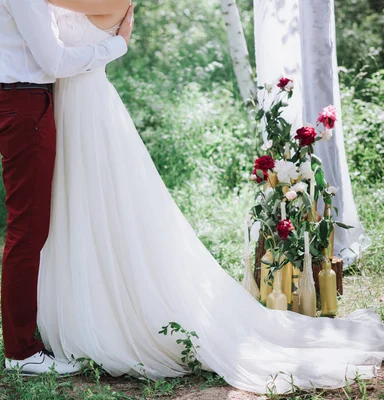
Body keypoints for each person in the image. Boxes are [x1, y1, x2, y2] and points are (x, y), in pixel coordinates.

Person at [36, 1, 384, 394]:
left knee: (103, 210)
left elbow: (66, 38)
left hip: (87, 108)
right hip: (59, 107)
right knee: (71, 211)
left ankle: (105, 315)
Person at [0, 0, 135, 376]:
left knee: (31, 227)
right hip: (23, 102)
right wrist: (118, 45)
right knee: (27, 230)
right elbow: (55, 62)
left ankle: (29, 337)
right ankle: (20, 352)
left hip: (20, 98)